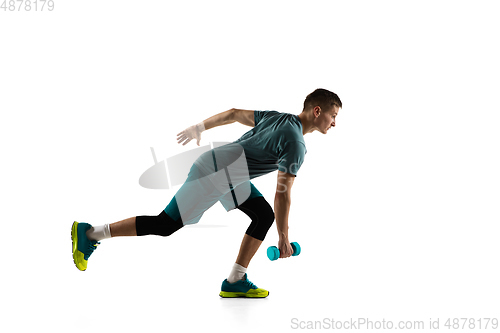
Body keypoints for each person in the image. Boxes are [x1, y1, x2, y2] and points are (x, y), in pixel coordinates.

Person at [71, 88, 342, 298]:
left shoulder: (278, 118)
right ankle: (90, 233)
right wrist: (284, 237)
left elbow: (235, 113)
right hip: (217, 174)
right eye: (334, 116)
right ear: (317, 111)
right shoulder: (296, 143)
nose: (334, 123)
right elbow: (283, 194)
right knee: (165, 225)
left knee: (262, 215)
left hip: (227, 171)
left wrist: (199, 127)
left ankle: (235, 281)